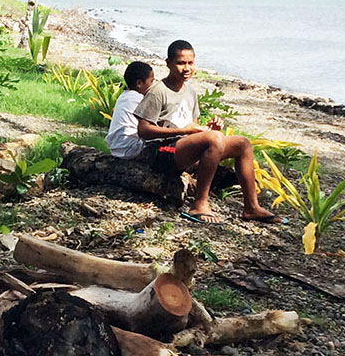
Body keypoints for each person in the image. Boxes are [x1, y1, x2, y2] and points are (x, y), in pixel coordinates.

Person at [134, 40, 281, 224]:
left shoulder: (191, 92)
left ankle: (251, 207)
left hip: (182, 148)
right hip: (160, 152)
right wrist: (184, 131)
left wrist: (211, 132)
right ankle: (199, 204)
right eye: (180, 63)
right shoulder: (158, 91)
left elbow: (192, 130)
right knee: (214, 139)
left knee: (242, 144)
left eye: (190, 63)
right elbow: (143, 130)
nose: (186, 68)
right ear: (168, 63)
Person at [105, 61, 154, 159]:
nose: (153, 85)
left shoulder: (123, 96)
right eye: (151, 81)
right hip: (131, 148)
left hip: (117, 148)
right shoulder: (139, 99)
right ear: (139, 83)